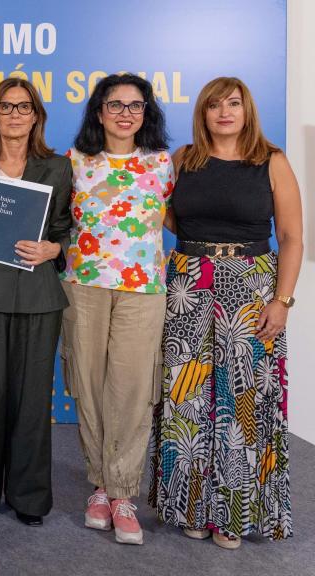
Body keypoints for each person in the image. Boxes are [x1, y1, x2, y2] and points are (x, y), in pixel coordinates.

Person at [153, 77, 301, 549]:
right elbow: (167, 215)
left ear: (246, 109)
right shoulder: (184, 160)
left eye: (233, 103)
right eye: (214, 104)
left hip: (252, 287)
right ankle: (191, 508)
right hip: (188, 283)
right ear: (203, 112)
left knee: (242, 402)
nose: (224, 112)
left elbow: (292, 238)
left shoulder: (272, 161)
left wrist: (283, 301)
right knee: (187, 396)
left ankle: (234, 515)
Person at [0, 77, 72, 527]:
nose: (15, 115)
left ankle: (29, 498)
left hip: (39, 298)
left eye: (24, 107)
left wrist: (54, 249)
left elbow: (65, 229)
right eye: (6, 107)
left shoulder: (58, 167)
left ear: (37, 116)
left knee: (31, 403)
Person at [60, 74, 173, 545]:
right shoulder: (74, 161)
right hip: (84, 286)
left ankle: (123, 493)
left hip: (142, 289)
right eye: (115, 105)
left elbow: (177, 218)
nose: (125, 114)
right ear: (99, 111)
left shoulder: (163, 162)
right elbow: (55, 222)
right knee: (88, 386)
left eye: (135, 105)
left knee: (130, 390)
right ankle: (100, 487)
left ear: (146, 112)